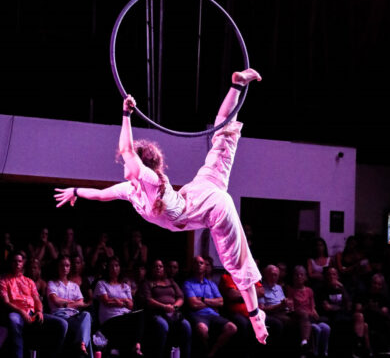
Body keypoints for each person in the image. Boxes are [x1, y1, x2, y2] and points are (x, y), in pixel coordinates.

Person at [55, 68, 268, 344]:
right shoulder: (131, 190)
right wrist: (75, 191)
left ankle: (255, 317)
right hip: (198, 192)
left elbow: (127, 151)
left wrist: (126, 115)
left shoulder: (152, 181)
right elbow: (101, 195)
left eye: (130, 162)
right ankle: (237, 85)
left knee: (234, 258)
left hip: (209, 206)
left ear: (141, 164)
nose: (124, 164)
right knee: (223, 142)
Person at [0, 251, 68, 358]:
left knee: (62, 324)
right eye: (14, 261)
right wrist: (21, 311)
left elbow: (37, 299)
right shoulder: (3, 281)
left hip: (32, 313)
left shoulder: (29, 281)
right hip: (16, 313)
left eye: (19, 261)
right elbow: (6, 302)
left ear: (23, 263)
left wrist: (39, 311)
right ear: (10, 263)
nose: (17, 264)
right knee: (13, 319)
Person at [184, 256, 238, 358]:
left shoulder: (211, 284)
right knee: (202, 329)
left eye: (201, 263)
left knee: (232, 328)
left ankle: (212, 353)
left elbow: (221, 302)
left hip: (213, 314)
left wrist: (203, 300)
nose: (199, 265)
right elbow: (193, 304)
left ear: (205, 267)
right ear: (193, 266)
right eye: (196, 263)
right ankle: (206, 352)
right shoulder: (188, 283)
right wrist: (213, 303)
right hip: (198, 315)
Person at [139, 259, 192, 358]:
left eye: (161, 266)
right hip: (156, 313)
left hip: (173, 312)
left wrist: (174, 306)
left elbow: (181, 297)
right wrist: (164, 306)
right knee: (163, 325)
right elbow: (148, 300)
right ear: (151, 269)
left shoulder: (170, 281)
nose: (158, 268)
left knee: (186, 326)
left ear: (164, 269)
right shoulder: (147, 283)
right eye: (155, 266)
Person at [94, 256, 145, 357]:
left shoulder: (125, 286)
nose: (114, 268)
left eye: (116, 266)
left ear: (120, 268)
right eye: (111, 266)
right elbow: (106, 301)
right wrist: (124, 301)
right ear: (107, 268)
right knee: (130, 323)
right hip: (110, 319)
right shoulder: (101, 284)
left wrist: (116, 300)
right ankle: (132, 347)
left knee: (141, 315)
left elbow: (131, 305)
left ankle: (136, 345)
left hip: (125, 316)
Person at [47, 255, 93, 358]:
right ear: (58, 267)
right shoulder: (52, 283)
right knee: (85, 328)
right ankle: (82, 347)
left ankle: (82, 344)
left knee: (87, 315)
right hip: (59, 315)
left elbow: (81, 302)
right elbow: (55, 300)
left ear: (70, 267)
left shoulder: (74, 285)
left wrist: (65, 303)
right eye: (62, 265)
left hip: (74, 316)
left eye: (67, 265)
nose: (64, 268)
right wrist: (71, 302)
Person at [287, 265, 331, 357]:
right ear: (293, 277)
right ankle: (310, 351)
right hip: (300, 318)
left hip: (311, 317)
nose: (299, 277)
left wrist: (315, 314)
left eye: (301, 275)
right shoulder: (290, 290)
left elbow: (312, 307)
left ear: (305, 277)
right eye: (296, 275)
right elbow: (291, 308)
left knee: (326, 327)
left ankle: (324, 353)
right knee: (316, 329)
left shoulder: (309, 290)